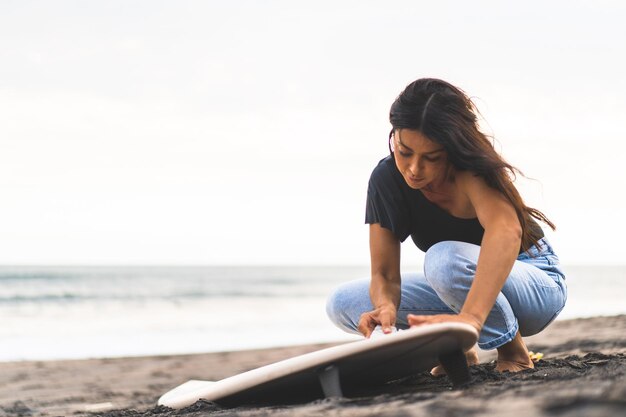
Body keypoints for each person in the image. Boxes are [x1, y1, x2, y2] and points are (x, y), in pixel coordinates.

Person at [326, 78, 567, 373]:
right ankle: (454, 350)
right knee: (344, 302)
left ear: (450, 150)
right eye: (404, 152)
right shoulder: (386, 179)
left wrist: (473, 319)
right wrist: (385, 305)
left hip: (535, 283)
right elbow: (385, 273)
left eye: (431, 158)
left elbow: (506, 231)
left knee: (443, 259)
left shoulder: (471, 170)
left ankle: (513, 352)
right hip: (459, 286)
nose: (414, 169)